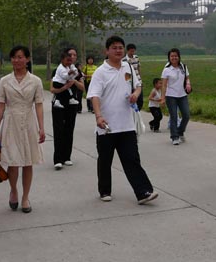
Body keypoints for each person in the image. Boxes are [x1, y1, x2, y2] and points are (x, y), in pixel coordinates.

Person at [87, 36, 158, 205]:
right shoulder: (100, 72)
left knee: (132, 159)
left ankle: (143, 192)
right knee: (105, 160)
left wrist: (135, 94)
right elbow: (94, 95)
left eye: (120, 47)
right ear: (107, 51)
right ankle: (105, 190)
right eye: (114, 48)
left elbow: (138, 85)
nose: (118, 50)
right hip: (107, 125)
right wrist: (98, 116)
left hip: (127, 124)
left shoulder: (128, 67)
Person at [0, 45, 46, 212]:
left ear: (27, 59)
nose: (17, 60)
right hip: (10, 123)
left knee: (28, 162)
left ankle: (25, 197)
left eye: (21, 57)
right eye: (14, 57)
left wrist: (41, 127)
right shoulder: (4, 81)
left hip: (29, 122)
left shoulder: (35, 81)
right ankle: (14, 191)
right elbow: (0, 105)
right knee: (13, 161)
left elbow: (38, 105)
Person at [50, 47, 83, 170]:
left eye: (74, 55)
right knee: (59, 130)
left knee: (69, 130)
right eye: (70, 55)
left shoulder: (76, 70)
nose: (72, 57)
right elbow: (52, 89)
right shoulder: (58, 70)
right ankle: (58, 159)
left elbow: (82, 87)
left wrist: (73, 81)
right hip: (59, 103)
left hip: (72, 104)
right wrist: (65, 87)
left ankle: (67, 157)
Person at [160, 48, 191, 145]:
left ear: (179, 56)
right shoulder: (166, 69)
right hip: (171, 96)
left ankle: (180, 131)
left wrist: (188, 83)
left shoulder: (183, 67)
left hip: (182, 95)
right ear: (169, 58)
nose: (174, 58)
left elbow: (187, 77)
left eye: (176, 56)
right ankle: (174, 137)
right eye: (172, 56)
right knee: (173, 116)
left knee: (186, 115)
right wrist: (163, 98)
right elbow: (164, 85)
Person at [124, 43, 144, 111]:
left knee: (140, 100)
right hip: (130, 81)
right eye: (131, 51)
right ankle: (132, 112)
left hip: (138, 80)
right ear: (127, 51)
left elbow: (138, 68)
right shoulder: (124, 60)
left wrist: (140, 79)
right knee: (132, 98)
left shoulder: (136, 57)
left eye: (134, 51)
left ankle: (137, 111)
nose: (132, 52)